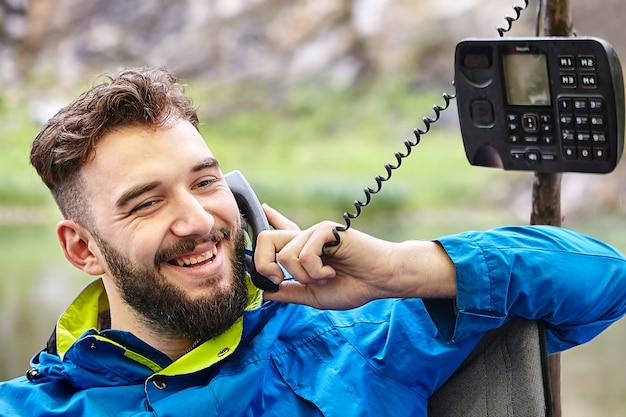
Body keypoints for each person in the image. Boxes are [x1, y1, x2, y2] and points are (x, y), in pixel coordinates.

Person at [0, 67, 624, 416]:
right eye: (146, 202)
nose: (197, 220)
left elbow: (604, 279)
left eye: (206, 182)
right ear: (81, 249)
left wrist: (405, 270)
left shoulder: (359, 335)